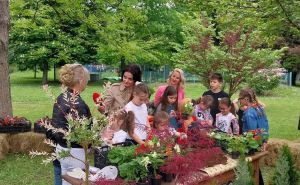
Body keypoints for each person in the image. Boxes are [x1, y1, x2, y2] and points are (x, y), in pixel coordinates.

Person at [51, 63, 91, 185]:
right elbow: (84, 132)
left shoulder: (61, 97)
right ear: (81, 80)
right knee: (74, 181)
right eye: (87, 80)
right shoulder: (78, 104)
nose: (87, 83)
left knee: (64, 179)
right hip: (73, 152)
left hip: (61, 148)